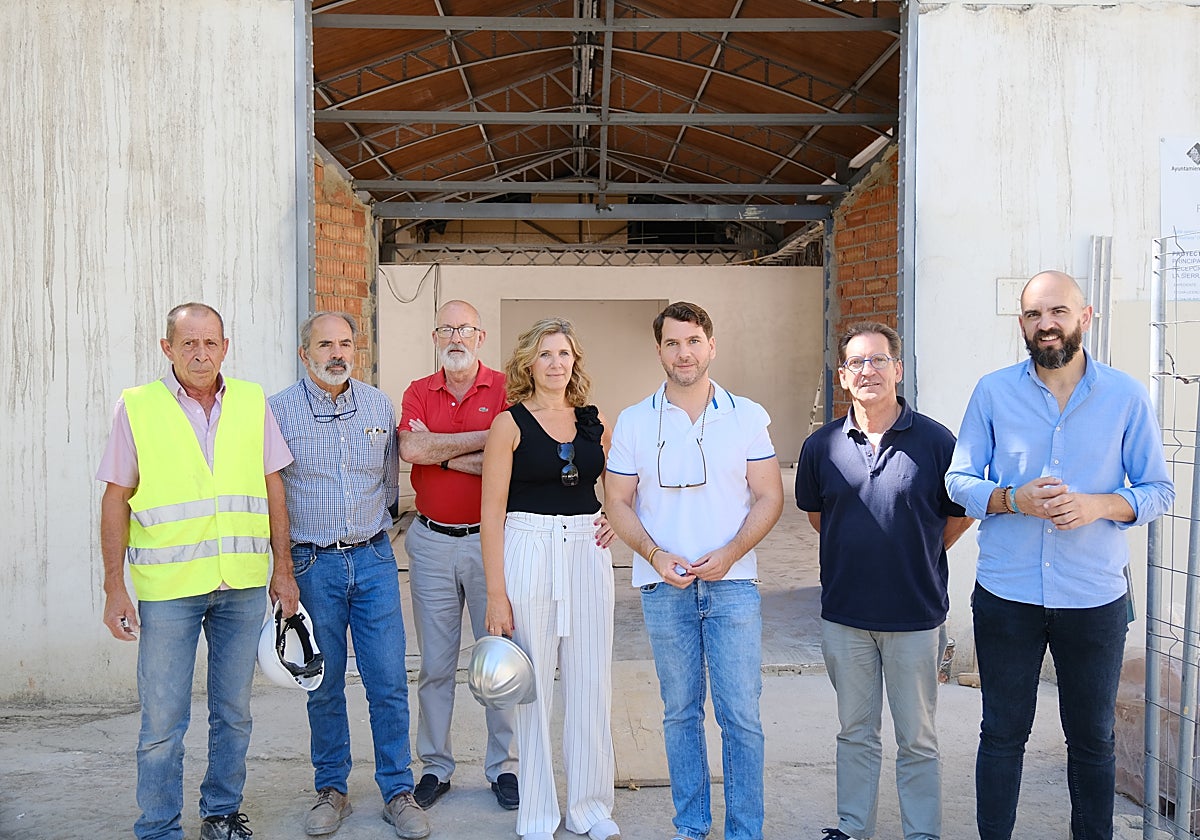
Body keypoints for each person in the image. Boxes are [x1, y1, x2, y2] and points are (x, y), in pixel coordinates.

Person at [946, 271, 1174, 840]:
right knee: (1002, 735)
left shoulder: (1125, 396)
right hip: (1007, 595)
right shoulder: (993, 391)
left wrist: (1100, 505)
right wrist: (1011, 499)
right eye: (1033, 315)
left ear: (1085, 317)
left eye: (1058, 312)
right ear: (1022, 324)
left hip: (1093, 596)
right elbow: (958, 479)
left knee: (1093, 740)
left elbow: (1158, 490)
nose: (1046, 324)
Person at [98, 302, 299, 840]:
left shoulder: (252, 401)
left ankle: (222, 813)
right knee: (163, 722)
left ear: (225, 347)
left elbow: (273, 486)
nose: (201, 353)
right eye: (188, 343)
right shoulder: (137, 406)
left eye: (211, 342)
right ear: (168, 348)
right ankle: (159, 827)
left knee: (233, 713)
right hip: (169, 591)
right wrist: (114, 585)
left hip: (242, 585)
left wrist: (283, 569)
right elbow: (116, 498)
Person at [605, 301, 784, 840]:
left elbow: (770, 496)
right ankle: (691, 826)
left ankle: (744, 832)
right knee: (680, 713)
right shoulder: (635, 420)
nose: (684, 353)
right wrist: (654, 555)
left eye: (693, 341)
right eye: (672, 343)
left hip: (733, 586)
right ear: (659, 350)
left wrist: (731, 552)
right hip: (664, 588)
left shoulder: (747, 415)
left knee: (741, 717)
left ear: (711, 346)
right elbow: (617, 501)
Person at [796, 321, 973, 840]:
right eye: (856, 362)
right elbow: (820, 517)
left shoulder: (936, 442)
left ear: (897, 369)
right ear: (842, 377)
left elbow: (960, 513)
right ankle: (852, 828)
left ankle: (922, 832)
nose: (867, 370)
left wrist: (918, 550)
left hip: (915, 616)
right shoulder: (821, 446)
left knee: (917, 737)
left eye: (878, 360)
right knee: (855, 732)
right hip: (846, 617)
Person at [268, 312, 429, 840]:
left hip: (374, 559)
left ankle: (397, 791)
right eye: (325, 345)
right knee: (325, 683)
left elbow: (387, 484)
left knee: (388, 681)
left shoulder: (379, 406)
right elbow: (273, 496)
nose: (337, 353)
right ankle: (331, 788)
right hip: (312, 565)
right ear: (304, 353)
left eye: (344, 344)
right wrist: (283, 569)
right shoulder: (278, 411)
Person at [480, 317, 621, 840]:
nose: (556, 363)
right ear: (528, 364)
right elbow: (490, 513)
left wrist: (617, 517)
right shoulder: (509, 424)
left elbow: (622, 488)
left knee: (591, 682)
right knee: (534, 687)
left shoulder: (593, 422)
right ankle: (538, 812)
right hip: (528, 546)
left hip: (587, 549)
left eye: (564, 353)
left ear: (574, 361)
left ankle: (591, 808)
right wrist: (497, 593)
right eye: (545, 354)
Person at [398, 300, 519, 811]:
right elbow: (411, 450)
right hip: (430, 542)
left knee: (499, 657)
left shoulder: (507, 389)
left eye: (465, 329)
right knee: (435, 664)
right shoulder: (418, 391)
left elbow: (514, 458)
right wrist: (487, 442)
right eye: (446, 329)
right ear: (435, 337)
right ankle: (435, 767)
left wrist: (442, 450)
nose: (455, 337)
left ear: (480, 336)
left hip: (492, 542)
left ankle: (504, 767)